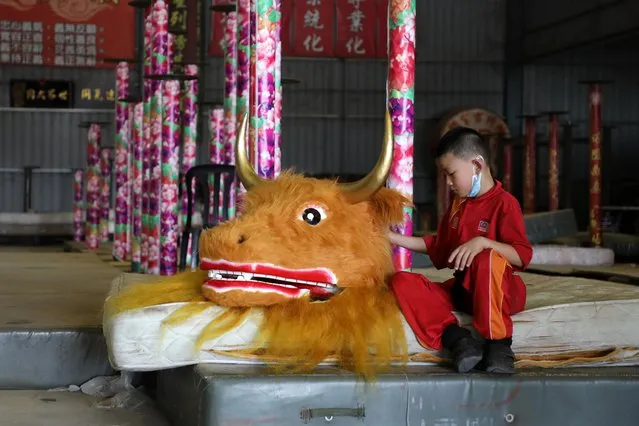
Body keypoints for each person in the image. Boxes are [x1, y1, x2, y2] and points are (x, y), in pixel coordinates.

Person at [388, 126, 532, 374]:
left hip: (502, 291)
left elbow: (521, 255)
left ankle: (498, 345)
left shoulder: (505, 204)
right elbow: (439, 246)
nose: (448, 182)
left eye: (451, 174)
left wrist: (484, 243)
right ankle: (458, 340)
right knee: (401, 281)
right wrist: (391, 237)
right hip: (464, 291)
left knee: (486, 259)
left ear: (477, 165)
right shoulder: (458, 206)